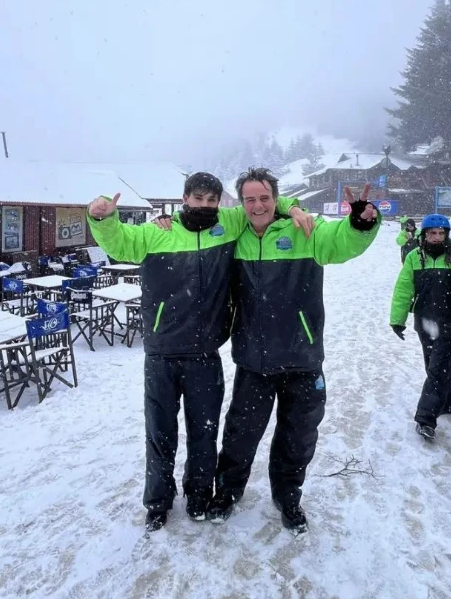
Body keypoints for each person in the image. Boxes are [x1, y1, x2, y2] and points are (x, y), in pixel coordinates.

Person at [86, 172, 313, 532]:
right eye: (198, 199)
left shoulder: (229, 222)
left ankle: (198, 494)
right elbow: (119, 244)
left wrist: (294, 206)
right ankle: (158, 501)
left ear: (220, 203)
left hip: (206, 353)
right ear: (184, 199)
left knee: (203, 432)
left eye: (212, 201)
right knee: (160, 433)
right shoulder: (155, 231)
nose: (205, 206)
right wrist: (102, 217)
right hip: (161, 353)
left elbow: (263, 203)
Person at [207, 170, 380, 534]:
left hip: (302, 359)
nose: (258, 206)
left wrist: (360, 223)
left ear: (276, 199)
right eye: (250, 199)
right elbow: (194, 221)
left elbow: (339, 242)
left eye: (265, 198)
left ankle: (288, 497)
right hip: (253, 360)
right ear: (241, 204)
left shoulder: (303, 231)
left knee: (298, 437)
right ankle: (227, 491)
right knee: (240, 434)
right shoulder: (234, 234)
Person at [390, 214, 451, 441]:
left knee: (439, 369)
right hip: (425, 322)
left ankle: (425, 418)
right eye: (432, 233)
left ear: (447, 234)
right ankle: (448, 403)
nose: (437, 237)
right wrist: (397, 319)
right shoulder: (414, 257)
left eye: (441, 233)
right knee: (435, 366)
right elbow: (403, 289)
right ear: (424, 234)